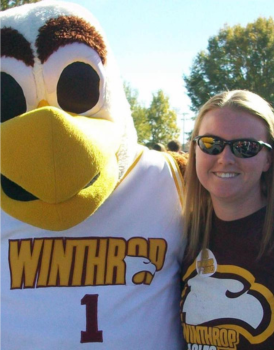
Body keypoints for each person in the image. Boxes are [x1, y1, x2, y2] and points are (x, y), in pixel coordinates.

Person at [180, 90, 274, 349]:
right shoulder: (178, 236)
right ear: (195, 150)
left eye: (246, 147)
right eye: (212, 143)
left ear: (268, 159)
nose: (226, 158)